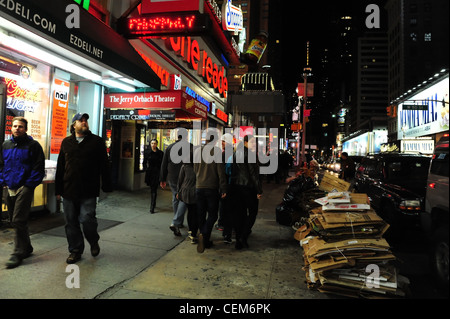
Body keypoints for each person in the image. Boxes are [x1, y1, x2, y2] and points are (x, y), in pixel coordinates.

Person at [55, 113, 113, 264]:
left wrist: (107, 185)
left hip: (88, 189)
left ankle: (93, 240)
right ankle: (75, 250)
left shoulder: (97, 142)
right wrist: (58, 190)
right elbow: (61, 167)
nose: (84, 122)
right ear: (73, 125)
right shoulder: (66, 142)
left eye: (86, 120)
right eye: (81, 121)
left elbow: (104, 165)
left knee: (87, 219)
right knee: (71, 222)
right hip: (68, 189)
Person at [0, 117, 45, 269]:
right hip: (9, 187)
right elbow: (1, 165)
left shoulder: (33, 146)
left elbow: (38, 168)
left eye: (20, 126)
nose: (17, 128)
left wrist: (29, 185)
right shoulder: (6, 145)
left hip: (25, 187)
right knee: (14, 220)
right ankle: (27, 247)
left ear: (26, 129)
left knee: (18, 219)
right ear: (11, 128)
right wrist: (3, 182)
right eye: (14, 126)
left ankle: (17, 253)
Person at [194, 130, 227, 253]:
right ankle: (204, 233)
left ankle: (205, 241)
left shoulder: (197, 151)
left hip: (199, 186)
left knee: (201, 214)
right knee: (213, 215)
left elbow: (195, 168)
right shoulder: (216, 151)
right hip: (212, 188)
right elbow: (220, 172)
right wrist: (223, 188)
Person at [229, 134, 262, 250]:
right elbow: (254, 174)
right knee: (252, 212)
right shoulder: (251, 154)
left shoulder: (235, 153)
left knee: (239, 214)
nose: (255, 145)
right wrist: (259, 190)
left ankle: (238, 239)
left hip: (236, 187)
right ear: (246, 143)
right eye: (252, 142)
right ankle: (244, 235)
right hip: (248, 188)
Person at [160, 132, 192, 236]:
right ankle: (176, 221)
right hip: (186, 176)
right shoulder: (190, 147)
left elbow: (164, 164)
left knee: (175, 197)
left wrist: (162, 179)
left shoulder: (169, 147)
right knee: (183, 198)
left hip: (172, 176)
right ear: (186, 136)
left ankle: (177, 220)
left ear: (177, 136)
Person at [176, 149, 198, 244]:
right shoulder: (197, 167)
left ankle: (191, 230)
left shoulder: (184, 167)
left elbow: (180, 181)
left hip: (185, 192)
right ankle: (193, 232)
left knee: (190, 211)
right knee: (195, 212)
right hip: (195, 192)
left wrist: (178, 192)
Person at [144, 139, 164, 214]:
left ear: (157, 144)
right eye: (152, 143)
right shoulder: (147, 152)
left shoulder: (160, 153)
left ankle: (152, 206)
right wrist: (146, 169)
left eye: (154, 143)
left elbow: (162, 164)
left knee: (154, 189)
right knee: (152, 188)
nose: (153, 145)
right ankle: (153, 203)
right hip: (150, 172)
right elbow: (144, 162)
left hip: (157, 173)